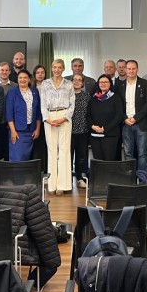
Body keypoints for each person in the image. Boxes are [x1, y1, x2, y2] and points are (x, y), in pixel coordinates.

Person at [40, 59, 75, 195]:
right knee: (52, 150)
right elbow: (43, 103)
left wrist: (64, 118)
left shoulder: (69, 84)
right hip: (49, 117)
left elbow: (72, 104)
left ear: (63, 68)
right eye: (55, 67)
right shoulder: (45, 84)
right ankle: (52, 185)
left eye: (60, 67)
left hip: (64, 117)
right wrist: (47, 119)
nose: (57, 70)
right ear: (51, 68)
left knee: (64, 150)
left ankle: (62, 185)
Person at [117, 60, 147, 184]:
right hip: (126, 123)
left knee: (142, 152)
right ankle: (130, 178)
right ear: (125, 70)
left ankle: (142, 179)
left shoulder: (145, 83)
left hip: (141, 123)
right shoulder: (120, 85)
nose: (131, 71)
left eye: (133, 69)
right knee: (128, 152)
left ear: (137, 69)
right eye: (129, 69)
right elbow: (118, 105)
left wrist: (136, 118)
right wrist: (124, 118)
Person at [5, 69, 41, 162]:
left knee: (26, 158)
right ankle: (16, 172)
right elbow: (9, 114)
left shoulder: (35, 92)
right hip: (17, 131)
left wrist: (37, 129)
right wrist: (13, 131)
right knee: (17, 158)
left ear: (29, 79)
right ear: (17, 79)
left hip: (31, 131)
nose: (22, 80)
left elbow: (38, 112)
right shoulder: (12, 93)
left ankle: (24, 172)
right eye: (20, 78)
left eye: (25, 77)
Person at [88, 74, 124, 161]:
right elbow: (88, 115)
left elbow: (118, 116)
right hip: (95, 135)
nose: (103, 84)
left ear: (110, 84)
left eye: (106, 82)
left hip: (110, 135)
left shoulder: (116, 98)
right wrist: (92, 126)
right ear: (98, 84)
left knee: (109, 161)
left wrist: (104, 128)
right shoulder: (93, 99)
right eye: (101, 82)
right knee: (98, 161)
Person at [70, 74, 91, 187]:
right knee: (68, 155)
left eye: (79, 80)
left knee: (81, 156)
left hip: (83, 130)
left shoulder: (87, 96)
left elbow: (90, 113)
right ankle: (67, 178)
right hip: (68, 130)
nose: (77, 82)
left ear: (82, 83)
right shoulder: (67, 95)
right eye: (75, 80)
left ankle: (80, 177)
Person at [0, 62, 17, 162]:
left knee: (9, 149)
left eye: (6, 70)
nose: (4, 72)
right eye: (2, 70)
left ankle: (8, 170)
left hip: (10, 123)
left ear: (10, 72)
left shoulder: (15, 86)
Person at [31, 64, 48, 171]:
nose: (40, 75)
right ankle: (36, 170)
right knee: (36, 145)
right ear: (34, 74)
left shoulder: (50, 86)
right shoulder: (30, 87)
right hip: (34, 120)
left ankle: (45, 169)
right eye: (37, 73)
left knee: (45, 145)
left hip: (47, 120)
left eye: (42, 72)